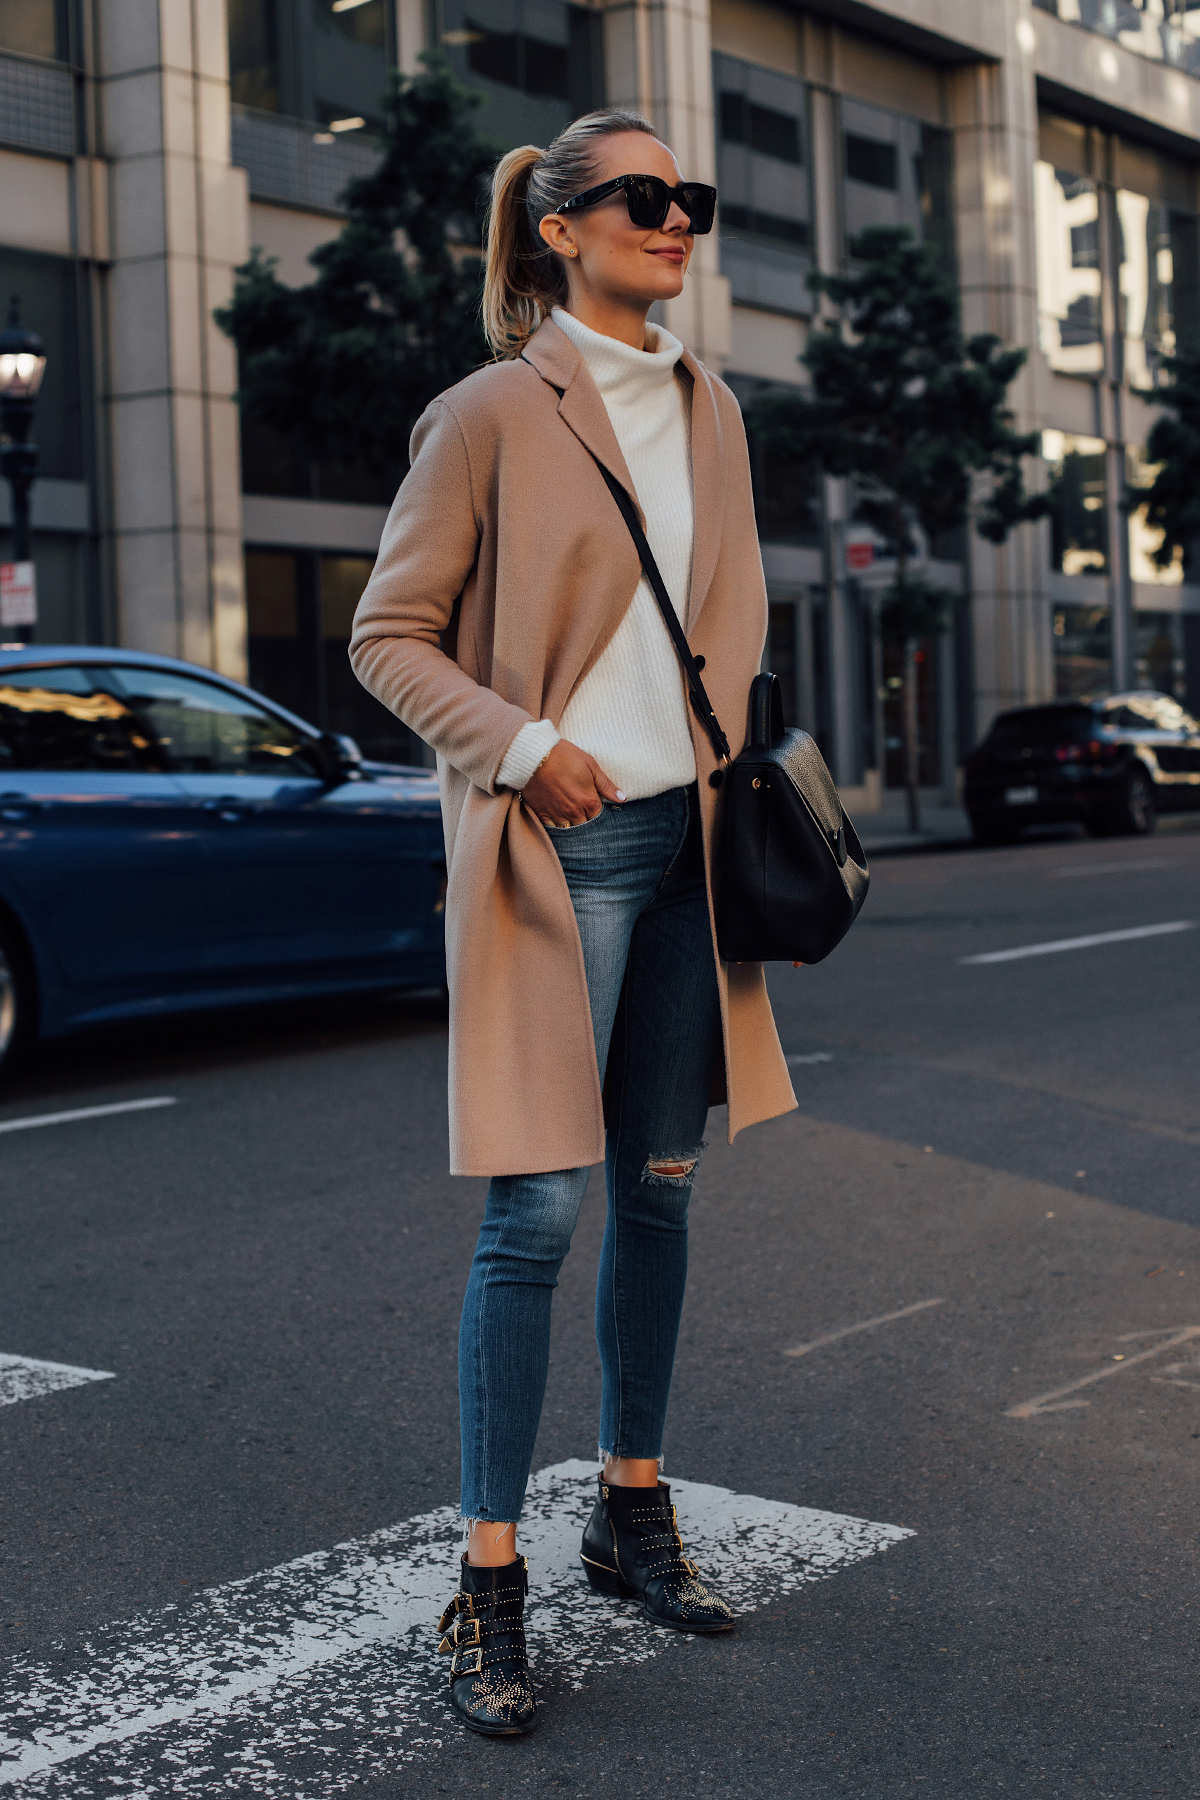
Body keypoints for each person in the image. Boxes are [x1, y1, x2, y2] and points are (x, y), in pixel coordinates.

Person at [349, 106, 796, 1739]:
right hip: (559, 858)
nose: (679, 219)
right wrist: (528, 753)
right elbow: (389, 637)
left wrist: (730, 776)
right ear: (558, 228)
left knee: (661, 1195)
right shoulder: (487, 412)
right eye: (643, 198)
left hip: (691, 854)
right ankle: (486, 1583)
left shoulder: (714, 408)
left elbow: (728, 620)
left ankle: (630, 1508)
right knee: (533, 1220)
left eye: (693, 196)